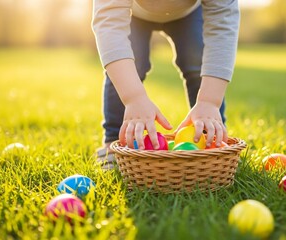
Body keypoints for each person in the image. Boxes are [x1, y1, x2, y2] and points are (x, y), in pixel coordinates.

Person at [92, 0, 240, 169]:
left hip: (189, 12)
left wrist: (209, 102)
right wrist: (134, 98)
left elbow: (223, 26)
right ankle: (113, 142)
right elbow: (109, 24)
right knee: (127, 68)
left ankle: (211, 141)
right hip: (133, 12)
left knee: (196, 60)